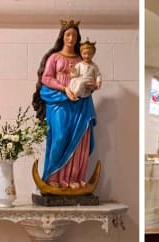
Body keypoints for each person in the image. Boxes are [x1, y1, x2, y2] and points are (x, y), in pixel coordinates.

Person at [32, 20, 97, 189]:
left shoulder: (81, 59)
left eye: (74, 35)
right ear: (62, 36)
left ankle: (73, 178)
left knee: (80, 140)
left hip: (79, 102)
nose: (71, 38)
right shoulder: (54, 57)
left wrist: (91, 85)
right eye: (68, 34)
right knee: (60, 137)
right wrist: (64, 88)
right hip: (58, 100)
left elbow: (90, 77)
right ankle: (53, 176)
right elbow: (46, 78)